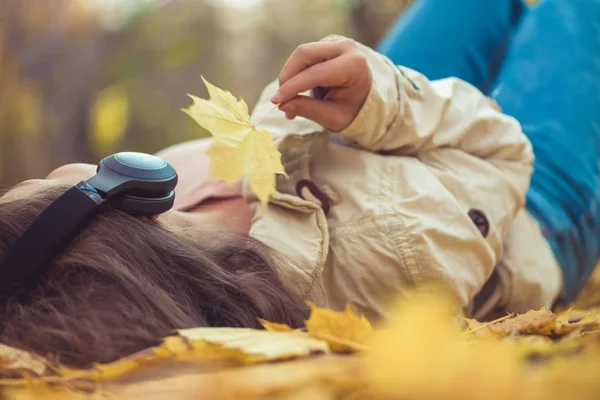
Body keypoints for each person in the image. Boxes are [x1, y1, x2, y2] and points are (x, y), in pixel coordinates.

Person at [0, 0, 598, 367]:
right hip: (524, 208)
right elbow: (499, 155)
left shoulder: (171, 209)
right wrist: (384, 100)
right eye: (59, 182)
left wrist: (353, 92)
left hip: (388, 152)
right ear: (131, 222)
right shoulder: (368, 263)